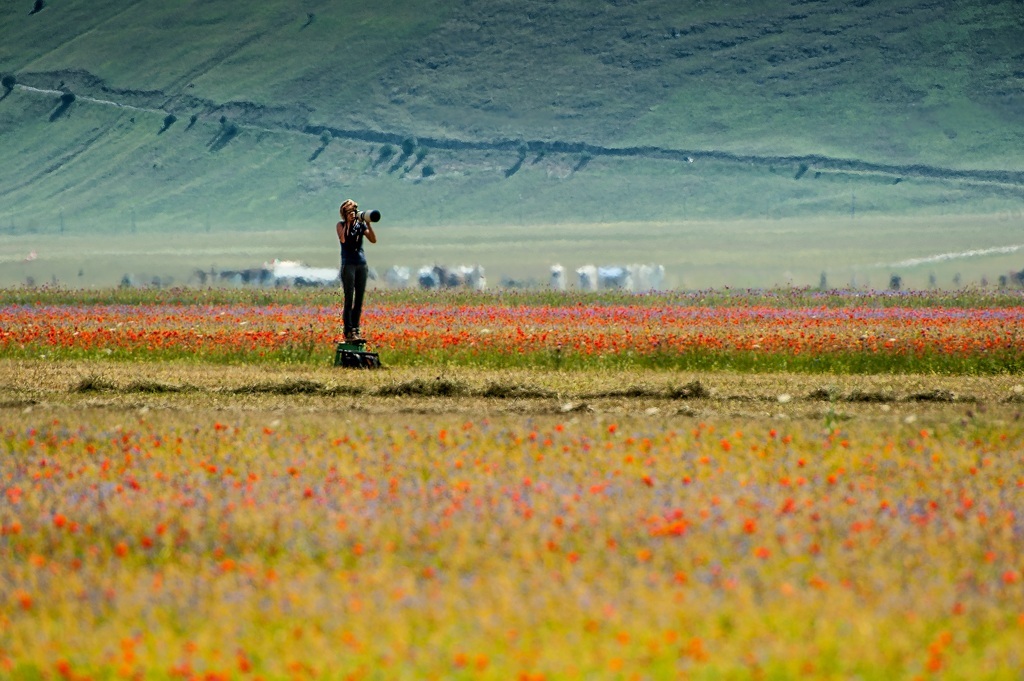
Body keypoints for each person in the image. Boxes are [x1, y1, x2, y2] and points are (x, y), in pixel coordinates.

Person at [336, 199, 376, 342]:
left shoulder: (360, 226)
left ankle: (356, 330)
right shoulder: (340, 225)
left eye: (353, 211)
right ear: (344, 214)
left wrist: (368, 224)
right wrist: (348, 223)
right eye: (349, 212)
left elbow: (373, 239)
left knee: (359, 300)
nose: (352, 214)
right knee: (349, 299)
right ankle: (348, 331)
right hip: (348, 265)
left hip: (361, 264)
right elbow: (343, 240)